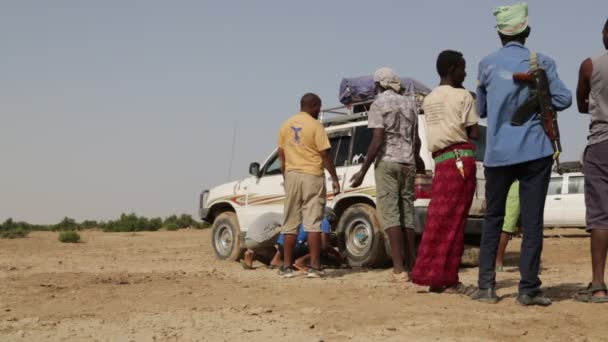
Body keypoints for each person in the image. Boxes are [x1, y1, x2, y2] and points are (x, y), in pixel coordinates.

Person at [470, 2, 572, 306]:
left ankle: (486, 286)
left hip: (499, 153)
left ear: (499, 35)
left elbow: (483, 109)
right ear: (526, 31)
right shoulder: (541, 61)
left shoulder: (486, 64)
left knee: (493, 219)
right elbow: (564, 99)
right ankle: (527, 290)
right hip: (534, 150)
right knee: (532, 222)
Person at [411, 50, 479, 293]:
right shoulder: (464, 96)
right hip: (461, 161)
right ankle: (449, 279)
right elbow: (474, 133)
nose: (466, 72)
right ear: (452, 69)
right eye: (463, 67)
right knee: (456, 222)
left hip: (441, 162)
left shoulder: (428, 100)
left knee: (438, 221)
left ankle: (432, 275)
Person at [350, 67, 421, 282]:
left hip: (387, 163)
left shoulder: (378, 104)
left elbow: (378, 138)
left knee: (391, 215)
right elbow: (415, 140)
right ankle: (413, 264)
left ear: (379, 85)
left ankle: (399, 269)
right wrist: (418, 160)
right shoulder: (410, 103)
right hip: (408, 163)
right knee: (407, 215)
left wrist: (363, 170)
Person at [277, 93, 341, 278]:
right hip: (312, 175)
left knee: (290, 222)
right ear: (313, 105)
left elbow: (281, 154)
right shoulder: (316, 126)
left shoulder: (285, 125)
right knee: (313, 223)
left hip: (292, 175)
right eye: (318, 107)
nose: (319, 110)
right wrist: (334, 178)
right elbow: (324, 155)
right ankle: (314, 267)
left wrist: (287, 174)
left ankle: (287, 267)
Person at [574, 18, 608, 303]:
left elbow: (581, 103)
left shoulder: (590, 65)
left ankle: (598, 285)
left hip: (601, 144)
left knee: (600, 216)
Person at [495, 181, 521, 272]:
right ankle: (498, 262)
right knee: (507, 227)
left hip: (525, 186)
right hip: (515, 187)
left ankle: (528, 263)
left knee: (528, 226)